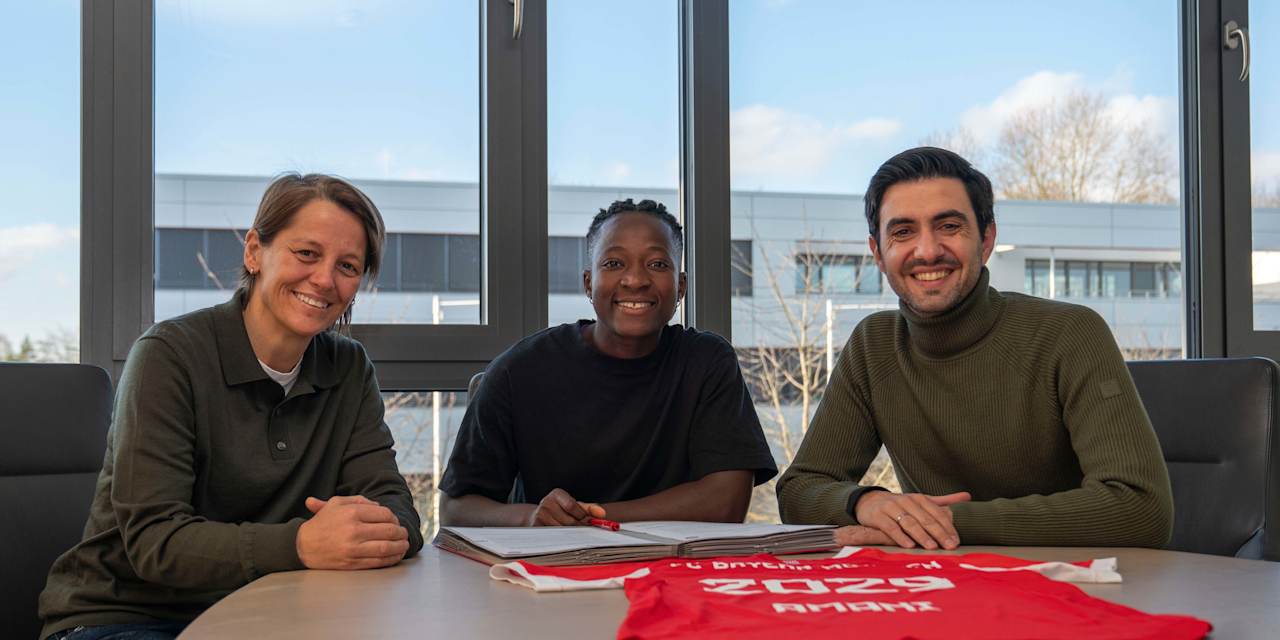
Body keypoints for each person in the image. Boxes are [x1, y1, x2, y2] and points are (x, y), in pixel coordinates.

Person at [39, 174, 424, 640]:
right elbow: (155, 542)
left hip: (269, 614)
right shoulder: (168, 354)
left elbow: (395, 507)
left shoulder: (349, 368)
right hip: (124, 617)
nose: (324, 279)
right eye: (307, 253)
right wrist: (302, 543)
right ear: (254, 252)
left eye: (347, 266)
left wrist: (374, 530)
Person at [776, 147, 1173, 550]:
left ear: (986, 240)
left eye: (948, 226)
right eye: (902, 232)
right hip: (942, 590)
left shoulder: (1069, 333)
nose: (927, 250)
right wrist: (867, 502)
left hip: (1073, 586)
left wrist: (940, 523)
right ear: (878, 253)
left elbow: (1140, 509)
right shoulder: (873, 346)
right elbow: (798, 492)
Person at [440, 199, 777, 526]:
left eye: (658, 264)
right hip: (550, 565)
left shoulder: (707, 362)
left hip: (673, 566)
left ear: (681, 287)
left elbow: (727, 501)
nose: (635, 280)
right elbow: (456, 508)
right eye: (614, 264)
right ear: (589, 282)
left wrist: (593, 517)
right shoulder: (520, 370)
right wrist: (530, 517)